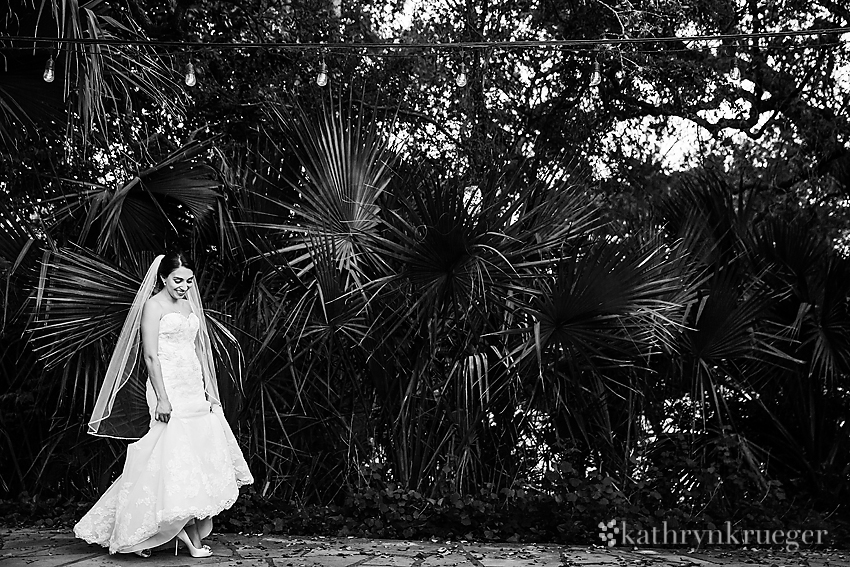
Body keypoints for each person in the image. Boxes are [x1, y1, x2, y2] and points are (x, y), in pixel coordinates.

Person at [73, 251, 253, 557]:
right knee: (168, 454)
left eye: (189, 281)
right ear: (163, 278)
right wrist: (164, 398)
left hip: (193, 386)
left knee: (193, 457)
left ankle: (176, 528)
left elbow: (199, 349)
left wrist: (210, 389)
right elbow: (151, 356)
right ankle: (171, 534)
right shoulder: (153, 306)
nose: (184, 286)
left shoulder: (188, 304)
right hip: (166, 387)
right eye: (178, 280)